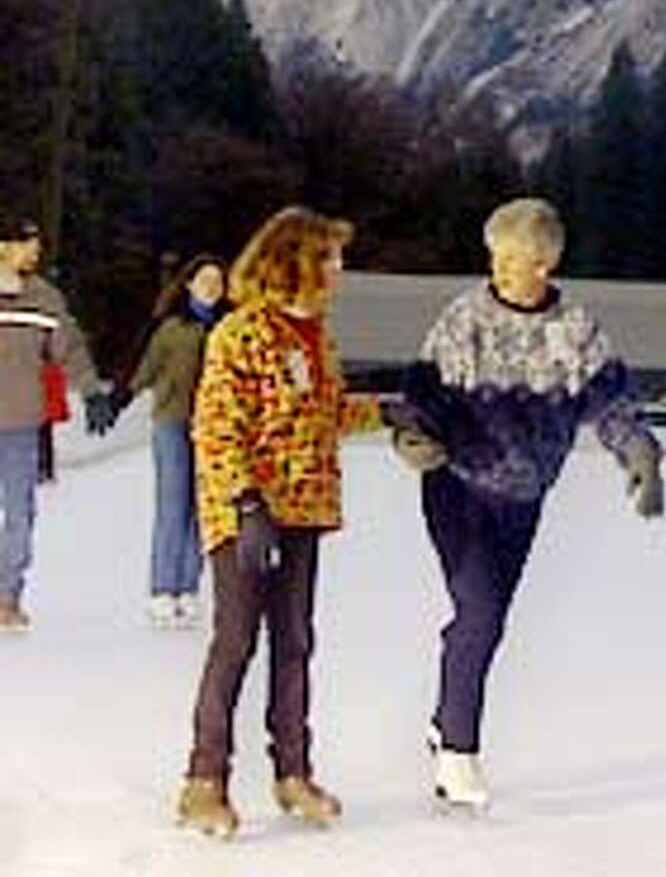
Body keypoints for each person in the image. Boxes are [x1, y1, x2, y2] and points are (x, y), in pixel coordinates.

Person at [382, 196, 663, 811]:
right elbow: (421, 397)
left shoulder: (575, 330)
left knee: (484, 621)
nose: (504, 270)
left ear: (546, 263)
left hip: (525, 497)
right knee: (480, 611)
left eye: (518, 259)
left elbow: (611, 405)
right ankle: (457, 752)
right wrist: (414, 437)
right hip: (456, 485)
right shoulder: (464, 318)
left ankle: (442, 716)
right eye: (498, 257)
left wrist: (639, 453)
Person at [176, 207, 381, 838]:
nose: (339, 269)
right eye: (329, 258)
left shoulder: (316, 335)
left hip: (304, 509)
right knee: (236, 639)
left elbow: (323, 415)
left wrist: (393, 414)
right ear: (292, 262)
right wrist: (245, 504)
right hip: (247, 514)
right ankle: (204, 781)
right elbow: (215, 427)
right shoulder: (240, 333)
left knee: (294, 641)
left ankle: (293, 771)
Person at [0, 221, 115, 630]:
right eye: (29, 245)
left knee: (19, 514)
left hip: (20, 424)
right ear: (6, 246)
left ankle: (6, 596)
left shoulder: (44, 298)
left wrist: (90, 391)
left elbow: (70, 347)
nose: (36, 253)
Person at [116, 253, 228, 626]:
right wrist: (121, 396)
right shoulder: (171, 326)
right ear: (189, 284)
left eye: (217, 281)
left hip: (214, 427)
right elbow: (146, 366)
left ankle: (188, 586)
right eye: (204, 280)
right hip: (172, 421)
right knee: (172, 504)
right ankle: (163, 587)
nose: (211, 287)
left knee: (202, 509)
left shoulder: (230, 327)